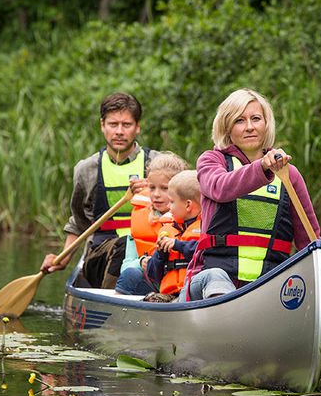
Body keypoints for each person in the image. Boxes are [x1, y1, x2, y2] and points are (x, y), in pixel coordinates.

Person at [179, 88, 321, 322]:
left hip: (266, 290)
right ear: (227, 127)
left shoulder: (289, 175)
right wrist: (262, 167)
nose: (250, 127)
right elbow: (220, 188)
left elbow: (312, 242)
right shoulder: (212, 161)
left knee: (297, 291)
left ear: (266, 124)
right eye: (239, 121)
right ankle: (226, 319)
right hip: (209, 282)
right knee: (215, 277)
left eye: (256, 119)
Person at [40, 92, 157, 288]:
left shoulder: (156, 164)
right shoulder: (86, 169)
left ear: (137, 127)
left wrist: (151, 189)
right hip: (102, 252)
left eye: (126, 125)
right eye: (113, 124)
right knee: (123, 245)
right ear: (102, 125)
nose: (119, 131)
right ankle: (115, 297)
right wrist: (63, 258)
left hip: (149, 250)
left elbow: (179, 208)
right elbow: (79, 222)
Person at [114, 152, 188, 295]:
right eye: (152, 188)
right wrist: (141, 262)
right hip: (152, 287)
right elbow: (126, 266)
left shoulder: (192, 219)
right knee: (130, 275)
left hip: (182, 288)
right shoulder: (140, 217)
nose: (156, 194)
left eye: (164, 188)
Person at [142, 170, 201, 300]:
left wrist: (178, 245)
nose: (168, 206)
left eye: (172, 202)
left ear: (187, 205)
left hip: (195, 295)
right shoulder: (167, 231)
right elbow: (153, 274)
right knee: (150, 301)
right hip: (169, 295)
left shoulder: (206, 228)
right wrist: (160, 253)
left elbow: (203, 253)